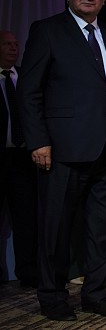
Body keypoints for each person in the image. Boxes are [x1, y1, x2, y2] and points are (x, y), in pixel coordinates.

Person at [17, 0, 106, 321]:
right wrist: (38, 141)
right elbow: (29, 91)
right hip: (62, 150)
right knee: (55, 229)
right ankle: (52, 297)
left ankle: (95, 294)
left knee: (104, 231)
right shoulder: (47, 30)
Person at [0, 30, 38, 289]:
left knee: (26, 219)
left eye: (16, 44)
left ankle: (27, 272)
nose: (14, 48)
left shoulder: (25, 76)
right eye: (7, 44)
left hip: (22, 158)